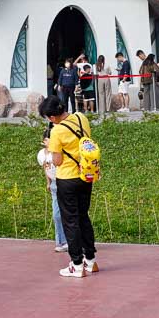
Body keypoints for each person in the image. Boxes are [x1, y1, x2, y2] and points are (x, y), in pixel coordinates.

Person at [40, 94, 98, 278]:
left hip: (67, 179)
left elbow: (57, 161)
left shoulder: (56, 131)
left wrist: (51, 146)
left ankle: (76, 264)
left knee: (70, 221)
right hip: (85, 175)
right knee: (83, 217)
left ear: (51, 117)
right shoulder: (81, 117)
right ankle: (90, 260)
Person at [37, 137, 69, 253]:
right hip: (54, 184)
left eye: (50, 139)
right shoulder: (41, 154)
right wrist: (48, 183)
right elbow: (45, 168)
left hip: (65, 181)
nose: (48, 142)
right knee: (57, 214)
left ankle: (73, 241)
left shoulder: (59, 151)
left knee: (69, 212)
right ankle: (61, 241)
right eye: (46, 139)